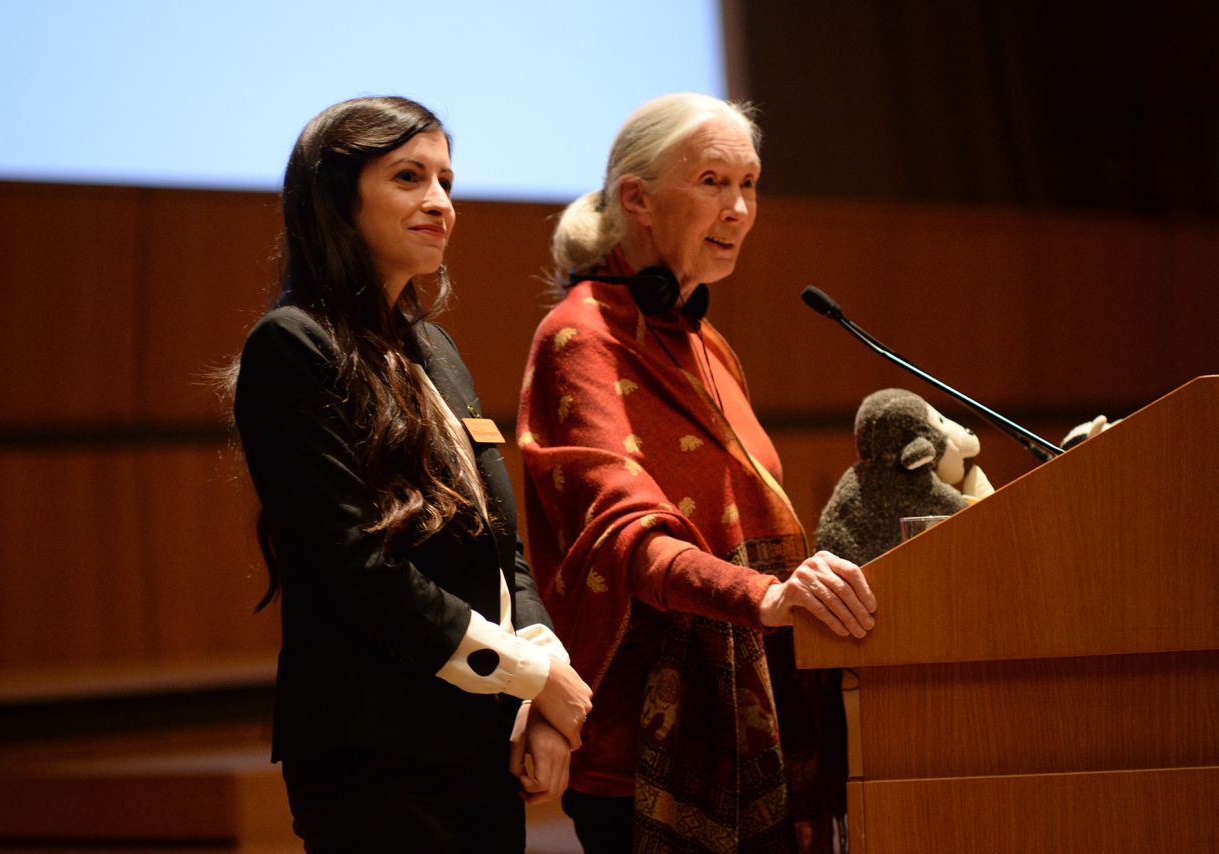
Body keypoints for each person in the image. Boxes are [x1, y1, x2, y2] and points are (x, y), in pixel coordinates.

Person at [229, 96, 592, 852]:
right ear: (336, 196)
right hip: (375, 755)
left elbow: (503, 549)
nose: (440, 202)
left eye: (447, 181)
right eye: (408, 177)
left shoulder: (437, 350)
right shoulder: (291, 347)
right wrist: (531, 674)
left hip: (479, 742)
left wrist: (542, 687)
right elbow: (356, 567)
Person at [517, 93, 877, 853]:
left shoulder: (703, 340)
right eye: (714, 182)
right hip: (646, 744)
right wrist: (767, 595)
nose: (740, 208)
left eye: (749, 184)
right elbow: (626, 533)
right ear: (637, 199)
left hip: (759, 718)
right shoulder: (581, 336)